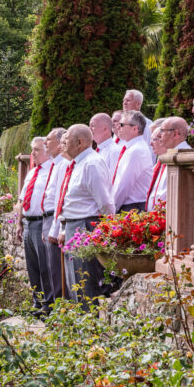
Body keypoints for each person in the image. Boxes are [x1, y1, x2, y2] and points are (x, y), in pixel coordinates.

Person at [51, 124, 115, 305]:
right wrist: (64, 229)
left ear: (80, 142)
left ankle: (91, 328)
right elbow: (71, 201)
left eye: (67, 140)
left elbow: (105, 202)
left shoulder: (92, 163)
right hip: (73, 225)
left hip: (86, 226)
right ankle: (81, 326)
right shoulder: (76, 164)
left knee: (85, 282)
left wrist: (107, 231)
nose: (62, 144)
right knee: (75, 283)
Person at [15, 137, 53, 313]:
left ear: (46, 151)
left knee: (44, 265)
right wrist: (18, 223)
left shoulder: (52, 171)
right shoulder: (32, 172)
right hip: (28, 223)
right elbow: (22, 199)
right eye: (32, 150)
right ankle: (37, 302)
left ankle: (47, 304)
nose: (33, 154)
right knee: (32, 266)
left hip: (41, 221)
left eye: (36, 150)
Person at [40, 128, 68, 304]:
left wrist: (54, 227)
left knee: (57, 270)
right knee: (50, 268)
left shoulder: (64, 164)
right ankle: (53, 307)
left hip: (55, 217)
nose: (45, 143)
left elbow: (60, 198)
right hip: (48, 217)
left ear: (59, 143)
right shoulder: (56, 164)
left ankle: (59, 308)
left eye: (48, 139)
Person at [111, 110, 152, 213]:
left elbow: (124, 185)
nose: (118, 127)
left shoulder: (135, 151)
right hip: (131, 205)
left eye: (122, 124)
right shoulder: (132, 148)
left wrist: (112, 210)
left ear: (135, 128)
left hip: (132, 207)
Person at [147, 117, 190, 211]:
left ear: (175, 134)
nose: (160, 136)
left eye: (162, 131)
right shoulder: (170, 154)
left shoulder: (185, 156)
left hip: (172, 216)